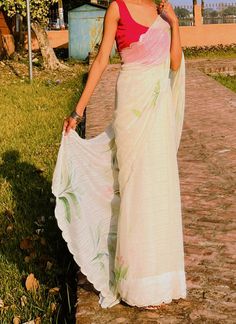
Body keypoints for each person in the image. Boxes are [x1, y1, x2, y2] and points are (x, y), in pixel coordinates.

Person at [52, 0, 187, 310]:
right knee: (136, 189)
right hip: (132, 106)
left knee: (158, 188)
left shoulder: (160, 10)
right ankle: (135, 283)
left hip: (158, 108)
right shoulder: (117, 8)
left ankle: (160, 278)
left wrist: (175, 24)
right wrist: (78, 110)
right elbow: (101, 61)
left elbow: (175, 64)